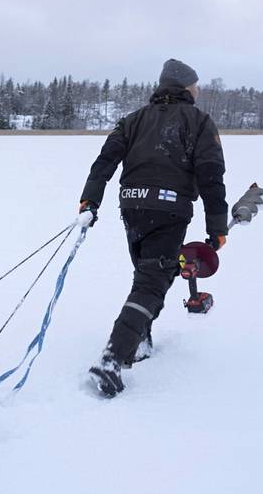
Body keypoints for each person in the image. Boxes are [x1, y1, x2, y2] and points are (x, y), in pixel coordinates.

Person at [80, 58, 228, 397]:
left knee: (147, 277)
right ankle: (112, 360)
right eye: (196, 86)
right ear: (186, 87)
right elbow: (211, 176)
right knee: (151, 284)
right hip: (168, 209)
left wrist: (90, 200)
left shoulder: (133, 120)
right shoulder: (199, 122)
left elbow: (104, 163)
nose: (198, 91)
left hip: (132, 208)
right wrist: (217, 226)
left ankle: (140, 342)